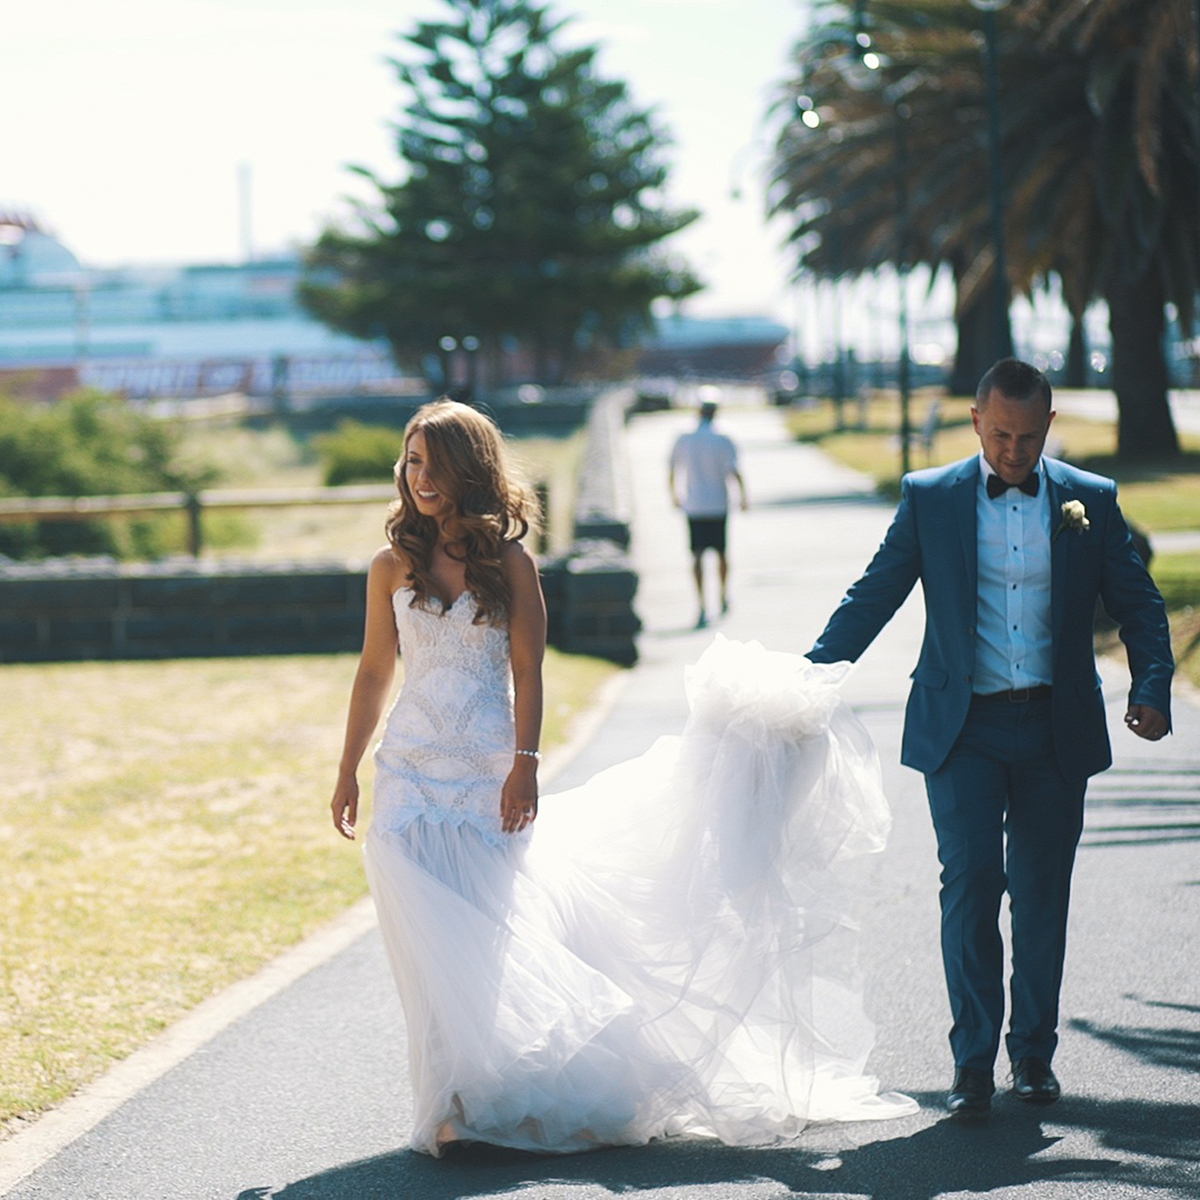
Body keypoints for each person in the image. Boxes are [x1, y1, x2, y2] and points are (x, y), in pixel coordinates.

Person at [331, 397, 916, 1157]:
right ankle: (449, 1100)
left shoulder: (509, 564)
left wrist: (525, 767)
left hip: (485, 775)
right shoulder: (390, 566)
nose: (420, 477)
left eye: (435, 463)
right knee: (425, 943)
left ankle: (478, 1093)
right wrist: (347, 768)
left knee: (485, 935)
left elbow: (529, 672)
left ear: (469, 470)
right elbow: (375, 671)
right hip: (407, 776)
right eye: (412, 461)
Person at [806, 358, 1174, 1120]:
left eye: (1029, 437)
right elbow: (873, 596)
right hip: (962, 727)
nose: (1014, 451)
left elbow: (1139, 603)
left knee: (1041, 894)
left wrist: (1150, 686)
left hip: (1054, 729)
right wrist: (810, 677)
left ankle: (1032, 1055)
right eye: (1001, 435)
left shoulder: (1090, 501)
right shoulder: (930, 498)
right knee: (972, 883)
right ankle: (972, 1060)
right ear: (977, 421)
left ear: (1048, 427)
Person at [669, 398, 748, 627]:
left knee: (697, 555)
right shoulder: (724, 437)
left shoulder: (685, 437)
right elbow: (734, 470)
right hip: (718, 503)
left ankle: (701, 603)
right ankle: (723, 594)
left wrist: (673, 494)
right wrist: (743, 496)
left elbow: (672, 468)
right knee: (721, 552)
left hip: (694, 503)